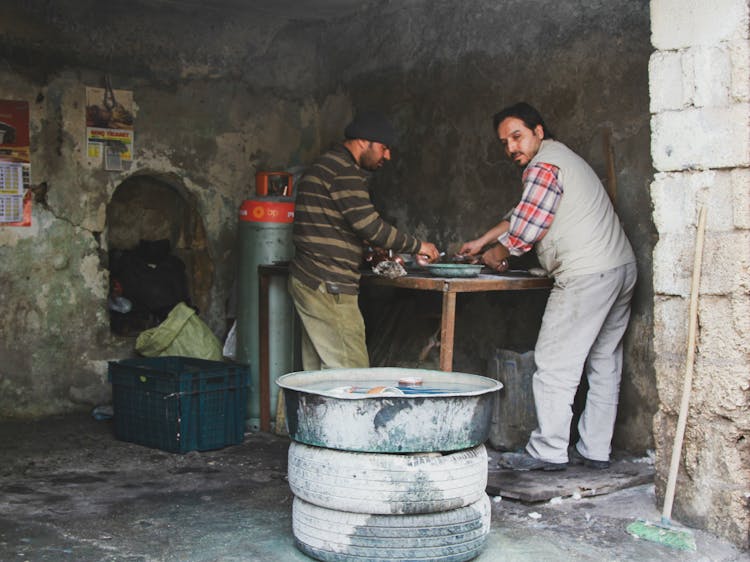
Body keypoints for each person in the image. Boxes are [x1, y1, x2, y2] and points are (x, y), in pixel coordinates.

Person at [460, 102, 637, 471]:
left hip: (586, 274)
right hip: (619, 268)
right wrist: (482, 240)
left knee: (555, 363)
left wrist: (497, 253)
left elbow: (524, 229)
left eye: (517, 136)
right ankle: (595, 450)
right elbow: (521, 212)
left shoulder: (543, 166)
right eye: (504, 142)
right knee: (604, 362)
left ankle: (548, 451)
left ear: (538, 131)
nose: (511, 148)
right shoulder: (560, 160)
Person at [289, 110, 440, 371]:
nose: (388, 156)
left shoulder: (323, 166)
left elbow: (339, 225)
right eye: (384, 148)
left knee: (315, 376)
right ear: (363, 142)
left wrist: (370, 248)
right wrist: (419, 245)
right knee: (351, 372)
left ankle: (294, 414)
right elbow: (370, 226)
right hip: (330, 284)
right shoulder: (343, 171)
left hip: (311, 280)